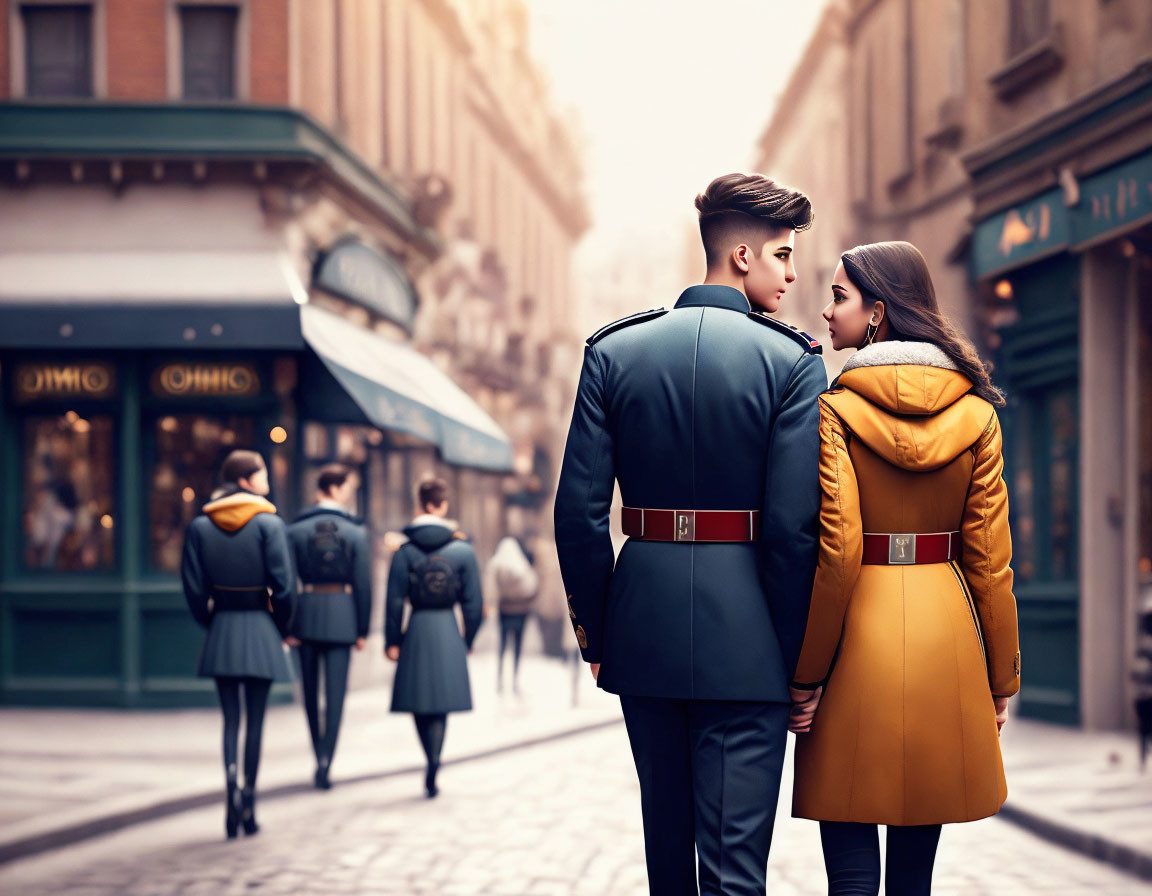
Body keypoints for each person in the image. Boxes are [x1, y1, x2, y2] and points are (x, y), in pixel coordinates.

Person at [555, 172, 827, 896]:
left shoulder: (614, 351)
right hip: (751, 642)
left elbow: (578, 515)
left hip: (642, 627)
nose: (793, 273)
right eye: (782, 254)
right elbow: (797, 530)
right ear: (741, 256)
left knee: (666, 860)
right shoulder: (794, 362)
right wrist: (799, 661)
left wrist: (600, 634)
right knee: (735, 869)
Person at [788, 241, 1021, 895]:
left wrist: (804, 677)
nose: (827, 311)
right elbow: (990, 562)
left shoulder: (833, 410)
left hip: (855, 639)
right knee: (914, 875)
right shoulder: (978, 413)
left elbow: (837, 553)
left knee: (852, 872)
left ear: (877, 314)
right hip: (946, 635)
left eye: (839, 296)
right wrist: (1001, 675)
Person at [181, 449, 295, 838]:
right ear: (247, 479)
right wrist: (282, 628)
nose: (267, 479)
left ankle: (230, 787)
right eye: (262, 472)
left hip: (224, 628)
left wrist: (211, 622)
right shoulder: (269, 523)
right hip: (261, 627)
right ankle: (249, 800)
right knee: (256, 722)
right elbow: (284, 587)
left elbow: (194, 590)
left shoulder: (200, 526)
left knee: (230, 720)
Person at [385, 477, 483, 798]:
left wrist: (392, 641)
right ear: (442, 506)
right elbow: (474, 603)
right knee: (439, 702)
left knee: (418, 701)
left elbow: (394, 600)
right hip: (447, 628)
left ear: (420, 504)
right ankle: (436, 760)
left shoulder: (404, 551)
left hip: (417, 628)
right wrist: (467, 640)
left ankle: (429, 756)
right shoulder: (463, 551)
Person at [286, 463, 372, 790]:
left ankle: (317, 752)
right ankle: (326, 760)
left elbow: (286, 585)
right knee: (335, 695)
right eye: (347, 489)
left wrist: (288, 624)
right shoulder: (355, 532)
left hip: (305, 615)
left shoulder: (295, 530)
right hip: (342, 616)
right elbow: (363, 585)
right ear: (334, 489)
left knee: (309, 693)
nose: (349, 495)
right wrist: (362, 629)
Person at [487, 534, 539, 695]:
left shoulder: (496, 564)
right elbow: (532, 586)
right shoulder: (522, 565)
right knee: (517, 645)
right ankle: (514, 679)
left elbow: (490, 588)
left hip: (504, 610)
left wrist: (492, 603)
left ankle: (500, 679)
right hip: (521, 611)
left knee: (503, 645)